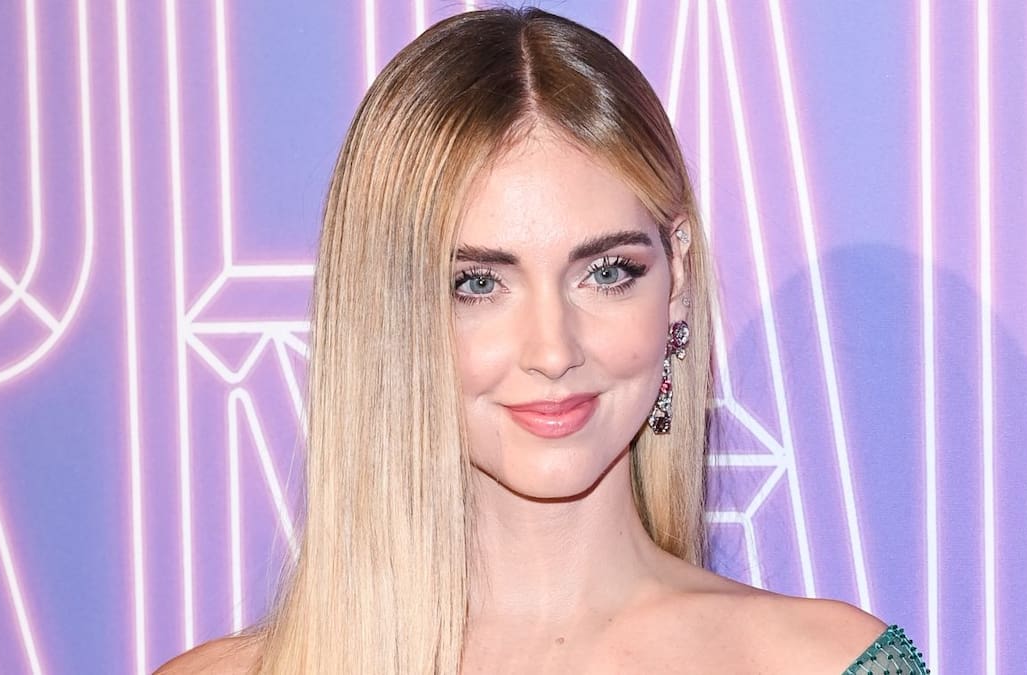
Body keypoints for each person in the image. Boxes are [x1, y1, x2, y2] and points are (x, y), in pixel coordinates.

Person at [156, 6, 928, 674]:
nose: (554, 351)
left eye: (607, 272)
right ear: (387, 314)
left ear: (678, 277)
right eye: (478, 284)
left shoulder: (825, 662)